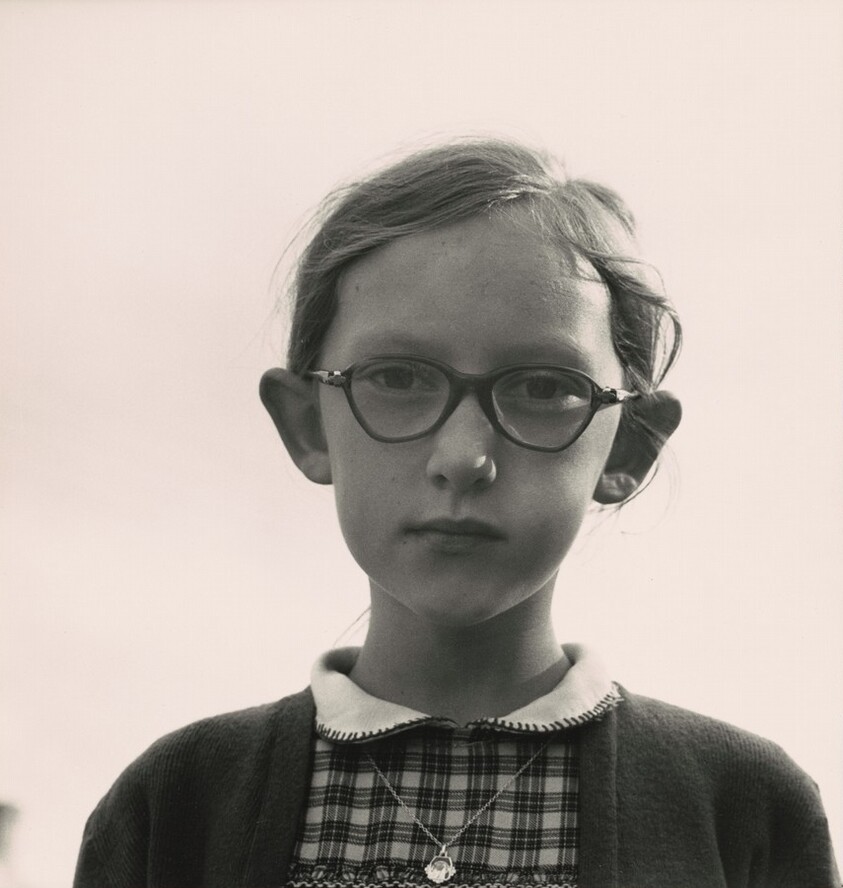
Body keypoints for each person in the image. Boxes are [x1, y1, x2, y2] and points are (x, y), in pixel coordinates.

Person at [73, 139, 840, 888]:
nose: (462, 458)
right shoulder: (179, 804)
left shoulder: (740, 807)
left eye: (543, 388)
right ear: (308, 425)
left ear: (628, 447)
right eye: (397, 376)